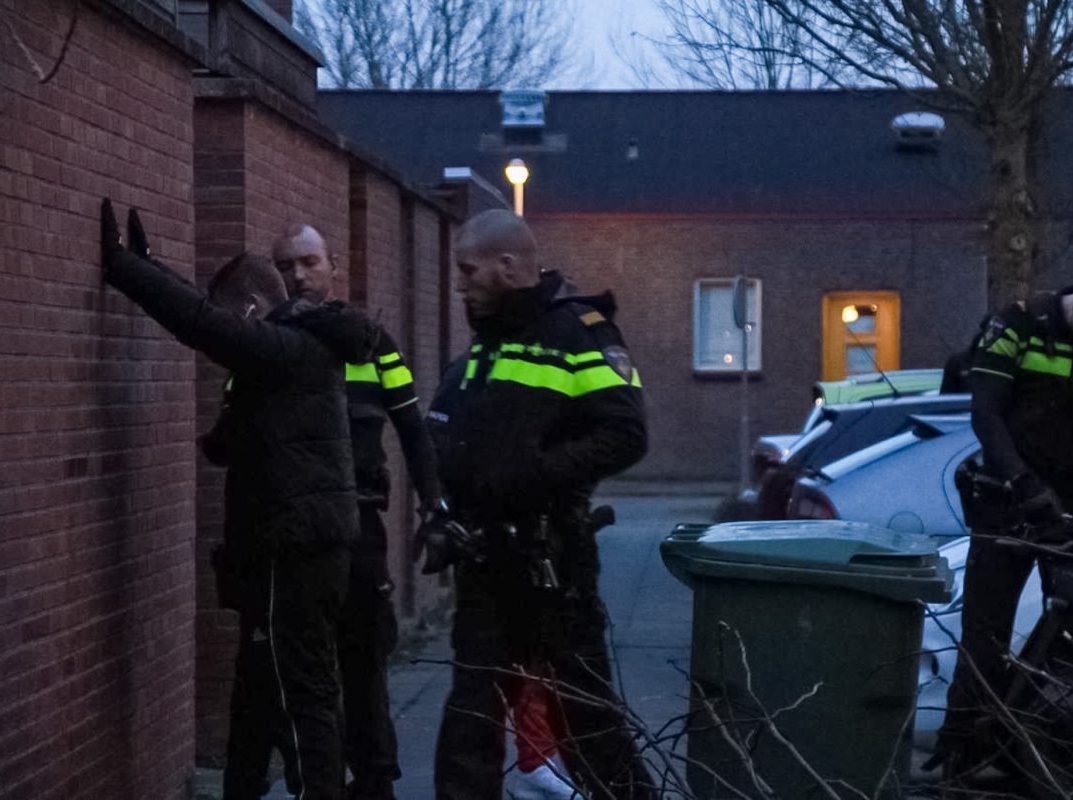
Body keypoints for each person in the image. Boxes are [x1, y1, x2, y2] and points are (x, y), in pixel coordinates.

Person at [100, 200, 373, 800]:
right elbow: (229, 437)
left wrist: (127, 269)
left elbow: (204, 324)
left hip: (292, 551)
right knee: (258, 694)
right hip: (298, 548)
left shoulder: (284, 349)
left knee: (302, 696)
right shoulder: (291, 350)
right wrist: (155, 266)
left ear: (250, 310)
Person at [418, 210, 656, 800]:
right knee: (471, 721)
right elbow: (462, 443)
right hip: (487, 563)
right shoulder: (488, 344)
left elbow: (626, 433)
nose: (461, 284)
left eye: (468, 271)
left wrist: (532, 476)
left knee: (585, 719)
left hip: (552, 564)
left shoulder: (578, 330)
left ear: (508, 266)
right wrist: (445, 510)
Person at [934, 281, 1073, 778]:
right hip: (1006, 504)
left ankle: (1061, 755)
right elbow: (985, 414)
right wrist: (1024, 485)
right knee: (985, 636)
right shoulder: (1017, 326)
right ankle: (964, 754)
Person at [268, 223, 447, 800]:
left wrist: (434, 504)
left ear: (333, 266)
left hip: (362, 531)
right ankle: (316, 782)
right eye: (287, 265)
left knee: (366, 664)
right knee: (303, 675)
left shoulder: (374, 345)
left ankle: (375, 782)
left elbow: (413, 430)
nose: (298, 275)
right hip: (299, 534)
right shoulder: (269, 342)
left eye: (309, 262)